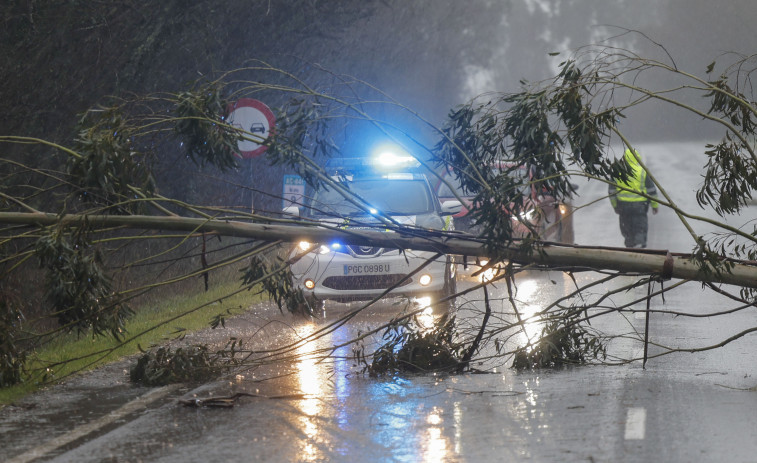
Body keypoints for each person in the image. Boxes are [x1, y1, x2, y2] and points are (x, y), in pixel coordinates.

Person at [608, 148, 659, 248]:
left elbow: (611, 192)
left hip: (623, 207)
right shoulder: (642, 172)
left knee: (627, 229)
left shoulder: (618, 172)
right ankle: (639, 248)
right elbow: (651, 190)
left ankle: (630, 248)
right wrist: (654, 205)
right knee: (640, 228)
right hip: (640, 207)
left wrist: (615, 206)